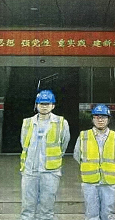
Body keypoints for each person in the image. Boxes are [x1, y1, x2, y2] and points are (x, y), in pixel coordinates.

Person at [19, 89, 71, 220]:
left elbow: (64, 145)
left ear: (53, 106)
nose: (44, 106)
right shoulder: (27, 122)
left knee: (47, 207)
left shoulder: (61, 123)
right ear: (36, 105)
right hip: (30, 170)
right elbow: (24, 143)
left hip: (50, 172)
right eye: (41, 103)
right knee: (27, 206)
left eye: (47, 104)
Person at [73, 104, 115, 220]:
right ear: (92, 119)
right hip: (89, 182)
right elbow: (77, 155)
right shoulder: (84, 136)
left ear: (108, 119)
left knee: (108, 214)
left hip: (109, 182)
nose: (100, 120)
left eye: (103, 117)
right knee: (91, 214)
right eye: (97, 117)